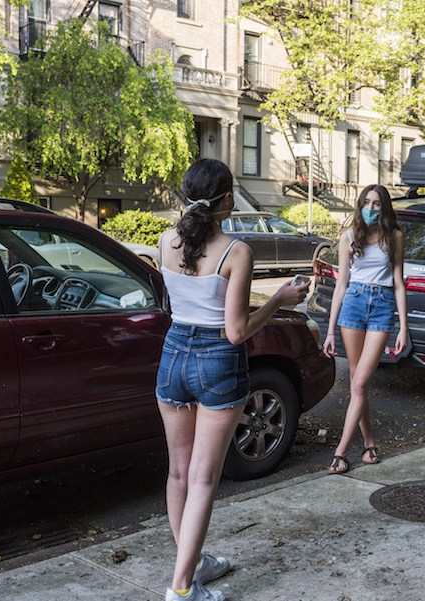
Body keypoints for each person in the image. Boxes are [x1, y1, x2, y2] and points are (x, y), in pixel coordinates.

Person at [156, 159, 308, 601]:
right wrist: (279, 298)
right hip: (216, 361)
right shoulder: (235, 251)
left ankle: (193, 560)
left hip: (172, 356)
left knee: (179, 473)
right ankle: (182, 589)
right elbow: (236, 331)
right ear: (227, 199)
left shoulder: (166, 241)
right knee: (204, 478)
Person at [322, 184, 407, 474]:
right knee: (360, 384)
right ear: (359, 206)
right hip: (353, 306)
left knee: (358, 384)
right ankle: (369, 443)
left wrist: (403, 328)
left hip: (382, 306)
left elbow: (398, 283)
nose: (371, 209)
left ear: (384, 207)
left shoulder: (394, 237)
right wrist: (330, 330)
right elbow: (341, 284)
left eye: (376, 204)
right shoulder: (348, 237)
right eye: (366, 203)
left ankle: (341, 451)